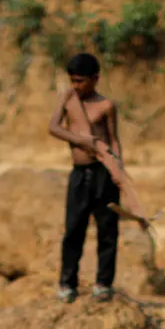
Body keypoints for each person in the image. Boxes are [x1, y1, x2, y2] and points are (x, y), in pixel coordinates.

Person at [48, 52, 122, 304]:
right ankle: (67, 284)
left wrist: (118, 171)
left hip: (103, 172)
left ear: (95, 79)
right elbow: (54, 127)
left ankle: (103, 284)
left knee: (107, 230)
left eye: (80, 81)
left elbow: (113, 140)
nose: (76, 86)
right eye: (73, 80)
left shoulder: (106, 106)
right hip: (79, 174)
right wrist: (80, 140)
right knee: (74, 230)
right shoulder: (67, 99)